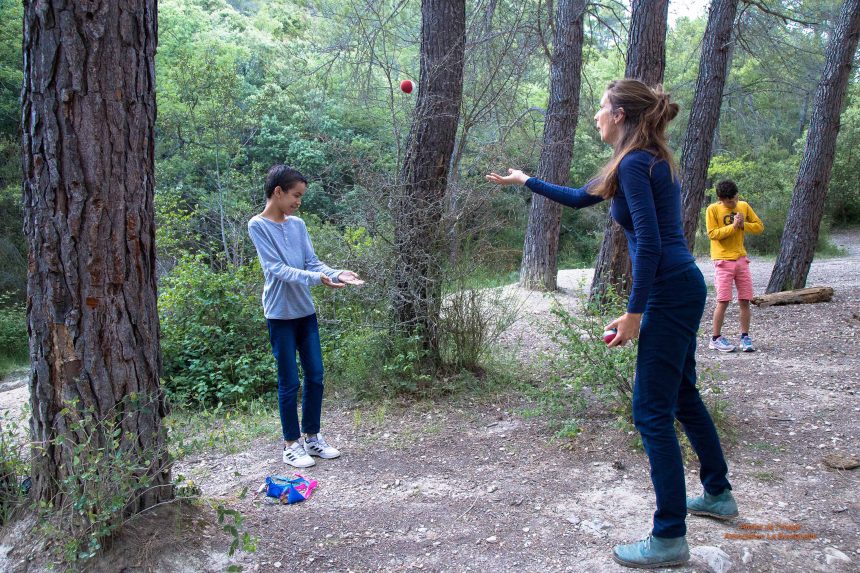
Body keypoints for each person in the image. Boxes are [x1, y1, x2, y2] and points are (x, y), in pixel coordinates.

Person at [487, 79, 738, 569]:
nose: (596, 116)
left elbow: (648, 238)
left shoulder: (639, 162)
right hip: (680, 284)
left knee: (650, 412)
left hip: (668, 288)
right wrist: (526, 181)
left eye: (602, 108)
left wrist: (636, 312)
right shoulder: (642, 161)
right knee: (682, 395)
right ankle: (718, 494)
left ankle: (669, 537)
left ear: (621, 115)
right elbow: (582, 198)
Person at [248, 164, 364, 468]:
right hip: (279, 314)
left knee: (315, 375)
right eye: (295, 195)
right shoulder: (257, 226)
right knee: (289, 381)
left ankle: (312, 438)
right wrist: (317, 279)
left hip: (305, 312)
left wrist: (337, 273)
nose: (298, 202)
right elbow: (276, 269)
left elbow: (312, 262)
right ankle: (291, 444)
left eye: (300, 196)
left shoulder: (297, 225)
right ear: (278, 192)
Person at [706, 179, 764, 353]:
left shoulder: (743, 206)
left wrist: (742, 225)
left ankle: (745, 337)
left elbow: (759, 227)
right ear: (721, 199)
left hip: (741, 260)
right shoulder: (713, 209)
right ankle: (715, 338)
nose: (733, 203)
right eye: (729, 201)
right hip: (723, 261)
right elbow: (713, 234)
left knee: (744, 299)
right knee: (723, 300)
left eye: (735, 199)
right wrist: (733, 227)